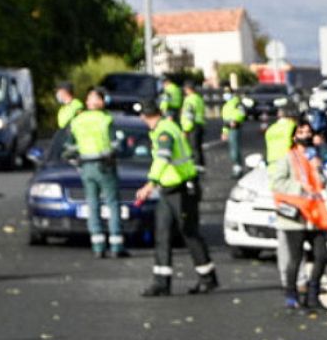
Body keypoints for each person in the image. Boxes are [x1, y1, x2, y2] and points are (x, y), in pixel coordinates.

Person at [134, 102, 217, 297]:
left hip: (181, 190)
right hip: (168, 190)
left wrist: (149, 184)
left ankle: (207, 278)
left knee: (189, 232)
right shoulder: (162, 128)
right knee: (162, 234)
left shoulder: (165, 131)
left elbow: (163, 157)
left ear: (144, 117)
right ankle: (161, 282)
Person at [270, 118, 327, 309]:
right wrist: (299, 188)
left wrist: (317, 167)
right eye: (301, 132)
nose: (305, 136)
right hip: (295, 216)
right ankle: (292, 293)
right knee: (295, 258)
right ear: (294, 136)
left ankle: (313, 292)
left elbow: (321, 184)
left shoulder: (314, 157)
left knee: (321, 255)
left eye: (308, 132)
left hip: (314, 215)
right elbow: (277, 183)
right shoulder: (287, 158)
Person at [64, 90, 127, 258]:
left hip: (86, 167)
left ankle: (98, 246)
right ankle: (116, 245)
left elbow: (69, 148)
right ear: (101, 102)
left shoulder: (77, 121)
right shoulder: (105, 119)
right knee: (112, 204)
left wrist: (77, 162)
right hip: (105, 165)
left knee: (93, 205)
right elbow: (116, 145)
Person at [181, 80, 207, 169]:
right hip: (200, 124)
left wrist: (186, 130)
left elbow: (189, 115)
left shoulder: (189, 100)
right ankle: (201, 164)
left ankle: (196, 166)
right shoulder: (199, 98)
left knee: (193, 147)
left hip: (192, 126)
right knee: (198, 147)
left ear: (188, 89)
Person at [221, 89, 248, 175]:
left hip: (235, 128)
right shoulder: (226, 105)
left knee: (235, 150)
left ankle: (238, 168)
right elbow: (225, 120)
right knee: (232, 150)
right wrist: (224, 132)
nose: (226, 95)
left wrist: (235, 120)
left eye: (227, 93)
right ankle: (237, 167)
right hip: (228, 128)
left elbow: (242, 113)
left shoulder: (236, 102)